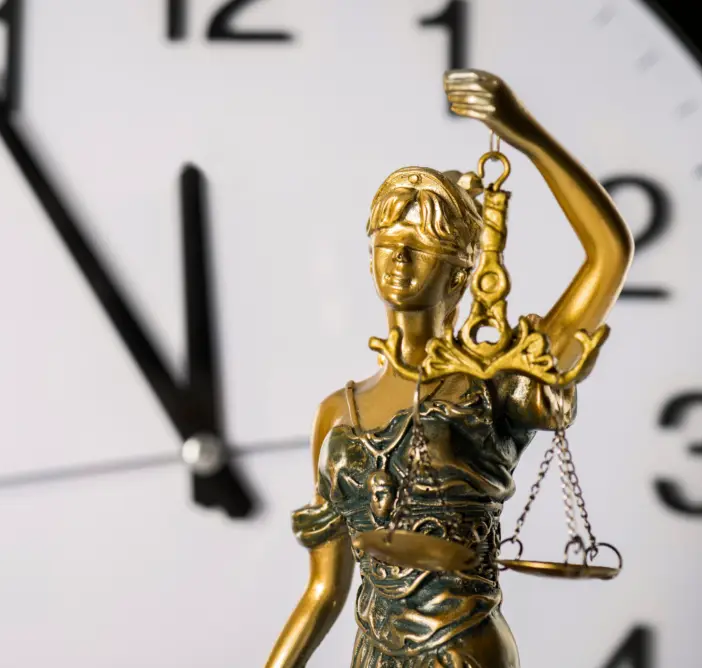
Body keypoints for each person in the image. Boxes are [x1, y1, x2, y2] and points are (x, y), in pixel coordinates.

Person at [265, 70, 634, 668]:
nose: (399, 259)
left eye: (422, 246)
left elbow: (610, 252)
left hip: (460, 652)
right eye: (387, 243)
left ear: (462, 274)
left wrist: (524, 135)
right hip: (373, 654)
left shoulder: (495, 384)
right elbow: (323, 590)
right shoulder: (338, 411)